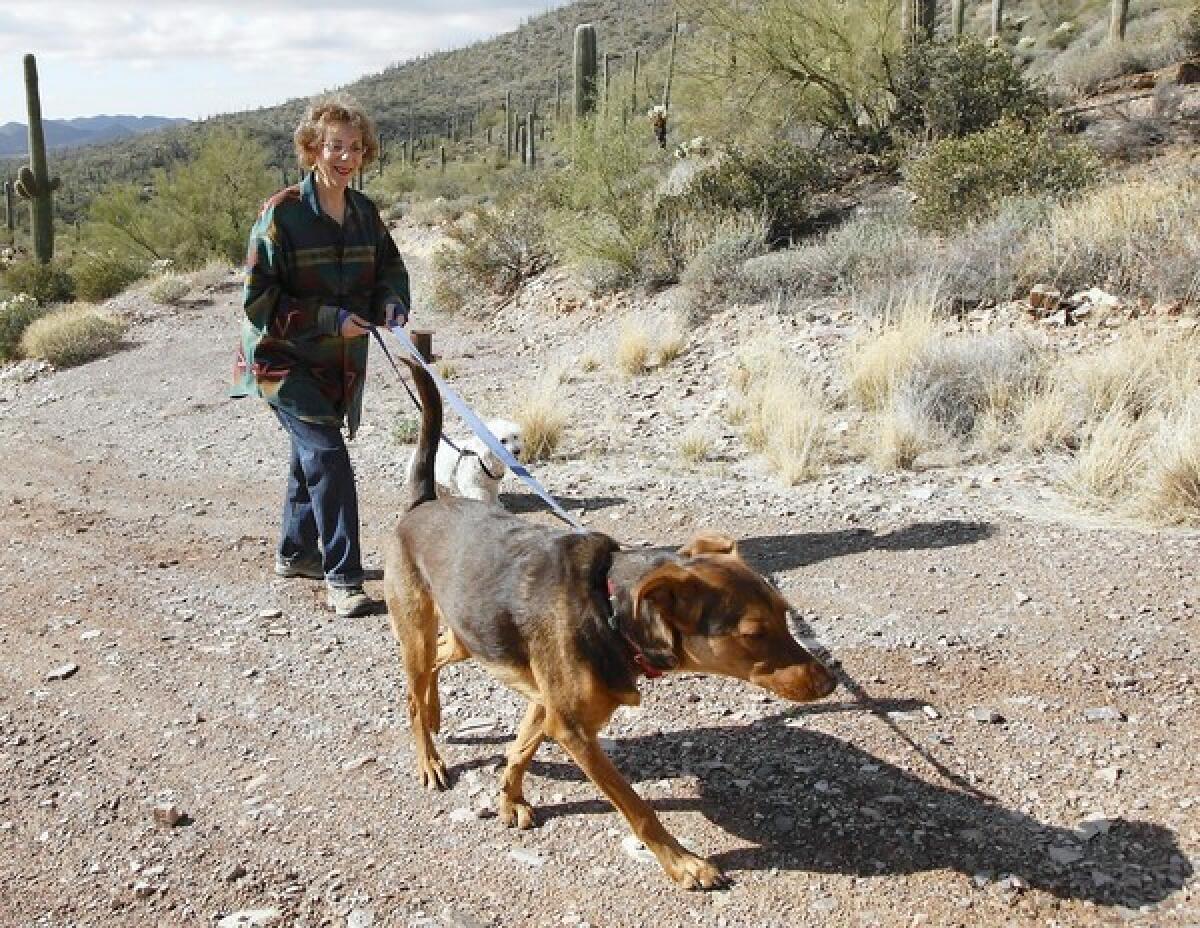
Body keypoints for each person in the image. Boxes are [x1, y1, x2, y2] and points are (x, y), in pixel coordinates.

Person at [231, 96, 410, 618]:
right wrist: (330, 319)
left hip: (339, 364)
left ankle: (297, 552)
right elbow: (258, 301)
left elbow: (389, 271)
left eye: (355, 148)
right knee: (327, 456)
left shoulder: (363, 214)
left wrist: (391, 304)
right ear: (313, 148)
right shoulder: (281, 213)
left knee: (310, 453)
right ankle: (344, 578)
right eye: (334, 146)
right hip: (280, 361)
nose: (345, 157)